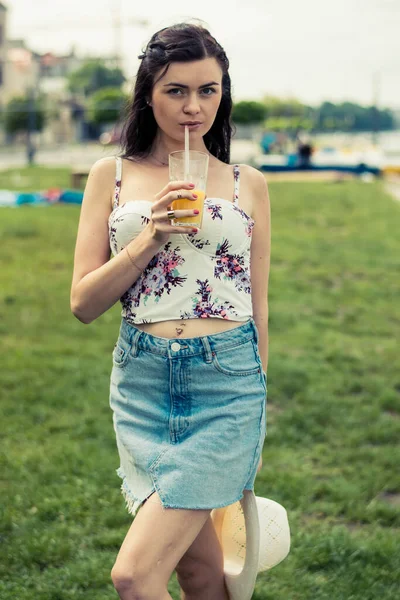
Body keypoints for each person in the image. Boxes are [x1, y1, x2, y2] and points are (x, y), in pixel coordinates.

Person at [70, 20, 270, 600]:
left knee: (133, 577)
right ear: (148, 94)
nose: (193, 107)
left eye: (208, 90)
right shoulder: (109, 177)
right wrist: (149, 237)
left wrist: (253, 419)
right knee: (199, 572)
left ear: (222, 94)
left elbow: (260, 307)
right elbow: (83, 304)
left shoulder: (245, 184)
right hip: (143, 383)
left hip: (226, 381)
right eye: (176, 91)